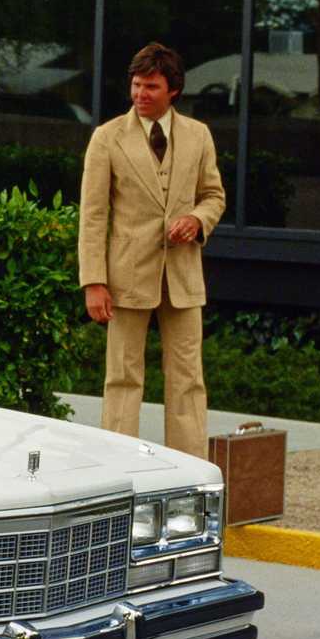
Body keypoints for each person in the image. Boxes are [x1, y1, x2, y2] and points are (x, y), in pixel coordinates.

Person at [77, 42, 227, 460]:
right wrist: (94, 282)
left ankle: (189, 471)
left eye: (151, 87)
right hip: (125, 277)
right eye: (136, 85)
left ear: (173, 90)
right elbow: (92, 216)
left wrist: (197, 220)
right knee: (122, 377)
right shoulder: (106, 138)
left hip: (182, 275)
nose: (140, 94)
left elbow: (214, 195)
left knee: (188, 379)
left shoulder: (198, 135)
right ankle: (117, 468)